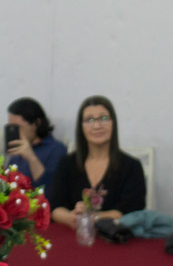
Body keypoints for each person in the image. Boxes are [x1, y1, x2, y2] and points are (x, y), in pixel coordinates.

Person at [47, 95, 146, 227]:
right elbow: (55, 206)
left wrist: (92, 218)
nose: (97, 125)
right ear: (81, 127)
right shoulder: (67, 163)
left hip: (115, 239)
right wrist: (70, 217)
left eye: (104, 118)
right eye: (89, 120)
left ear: (113, 123)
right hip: (73, 236)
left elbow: (131, 210)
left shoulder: (131, 166)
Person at [6, 96, 67, 189]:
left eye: (18, 127)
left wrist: (31, 158)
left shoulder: (57, 149)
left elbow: (50, 189)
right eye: (11, 128)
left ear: (37, 123)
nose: (15, 132)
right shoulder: (16, 151)